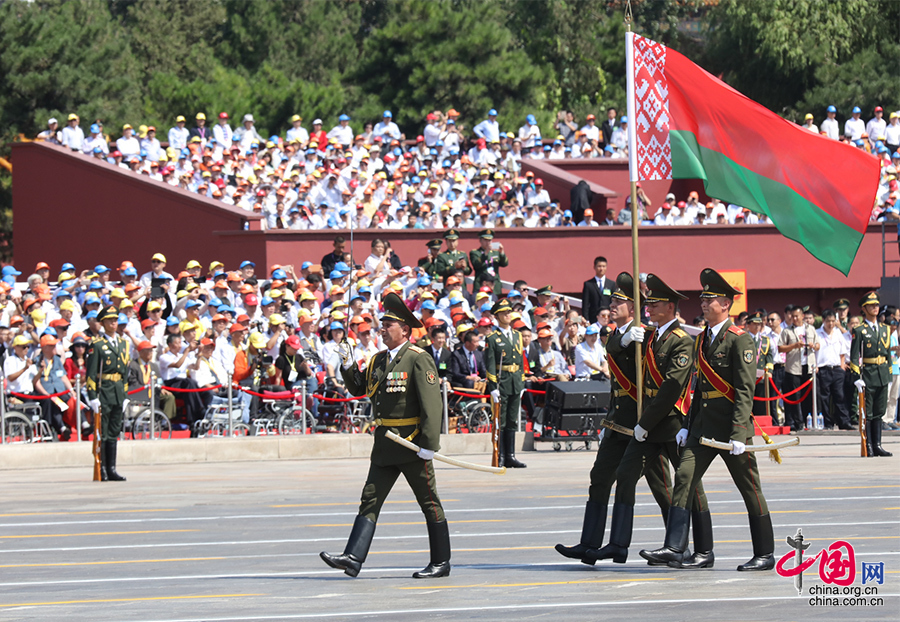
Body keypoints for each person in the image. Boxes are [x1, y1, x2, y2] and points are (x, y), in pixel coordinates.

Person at [641, 269, 775, 572]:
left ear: (725, 304)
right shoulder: (701, 339)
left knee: (750, 489)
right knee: (684, 478)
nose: (703, 303)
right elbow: (699, 389)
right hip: (702, 428)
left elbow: (745, 390)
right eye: (702, 298)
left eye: (709, 299)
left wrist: (739, 434)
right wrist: (687, 425)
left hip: (730, 429)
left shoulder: (740, 340)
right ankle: (681, 548)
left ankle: (765, 553)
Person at [320, 292, 449, 579]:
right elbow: (359, 388)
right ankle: (353, 557)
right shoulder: (379, 359)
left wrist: (429, 443)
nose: (383, 329)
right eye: (383, 324)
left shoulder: (418, 358)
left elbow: (432, 405)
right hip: (385, 444)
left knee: (429, 502)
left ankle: (441, 561)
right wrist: (347, 364)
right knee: (370, 499)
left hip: (411, 443)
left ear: (405, 330)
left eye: (389, 325)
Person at [589, 273, 713, 567]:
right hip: (648, 425)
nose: (649, 309)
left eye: (655, 305)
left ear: (670, 307)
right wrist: (623, 338)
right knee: (626, 475)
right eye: (648, 304)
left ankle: (702, 550)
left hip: (672, 424)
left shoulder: (682, 341)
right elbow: (616, 350)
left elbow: (671, 388)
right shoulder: (650, 335)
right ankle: (618, 544)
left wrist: (644, 424)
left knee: (691, 487)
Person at [555, 273, 675, 565]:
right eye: (612, 300)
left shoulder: (646, 335)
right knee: (600, 479)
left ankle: (676, 544)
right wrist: (624, 339)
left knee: (662, 488)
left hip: (643, 423)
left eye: (619, 301)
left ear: (633, 307)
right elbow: (612, 351)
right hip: (617, 421)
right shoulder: (616, 336)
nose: (612, 305)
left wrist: (638, 337)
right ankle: (591, 543)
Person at [85, 306, 129, 481]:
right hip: (104, 391)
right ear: (103, 323)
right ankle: (102, 468)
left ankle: (112, 468)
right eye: (110, 320)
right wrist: (93, 397)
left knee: (114, 431)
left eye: (115, 320)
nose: (113, 323)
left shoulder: (124, 344)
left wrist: (125, 395)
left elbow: (125, 372)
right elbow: (91, 373)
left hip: (118, 391)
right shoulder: (97, 345)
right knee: (102, 432)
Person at [849, 292, 892, 457]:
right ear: (864, 308)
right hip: (868, 374)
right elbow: (854, 356)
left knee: (879, 411)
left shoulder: (885, 328)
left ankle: (877, 445)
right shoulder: (860, 330)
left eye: (876, 305)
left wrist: (888, 373)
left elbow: (887, 353)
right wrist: (857, 377)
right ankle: (868, 446)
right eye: (871, 305)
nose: (875, 307)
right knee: (869, 412)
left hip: (882, 373)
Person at [485, 298, 526, 468]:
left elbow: (521, 361)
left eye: (509, 312)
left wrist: (522, 382)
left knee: (512, 420)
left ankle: (510, 455)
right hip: (502, 382)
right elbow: (490, 364)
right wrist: (493, 387)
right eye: (504, 313)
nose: (508, 315)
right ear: (496, 317)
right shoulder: (492, 338)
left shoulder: (517, 335)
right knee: (500, 420)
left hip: (515, 381)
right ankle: (500, 456)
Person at [778, 305, 820, 431]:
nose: (795, 319)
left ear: (802, 316)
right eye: (793, 316)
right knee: (795, 397)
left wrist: (813, 346)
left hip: (808, 366)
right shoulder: (787, 331)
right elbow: (780, 348)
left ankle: (809, 421)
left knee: (809, 396)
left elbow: (818, 345)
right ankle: (798, 423)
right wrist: (794, 346)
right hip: (794, 368)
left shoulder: (811, 329)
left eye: (797, 316)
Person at [33, 334, 74, 441]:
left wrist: (71, 390)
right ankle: (59, 428)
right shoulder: (37, 361)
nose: (55, 347)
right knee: (51, 401)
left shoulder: (57, 360)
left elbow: (63, 377)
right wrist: (46, 394)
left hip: (59, 391)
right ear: (45, 348)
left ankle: (82, 425)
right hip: (46, 392)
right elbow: (36, 382)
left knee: (71, 400)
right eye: (52, 345)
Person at [816, 309, 852, 430]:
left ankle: (844, 421)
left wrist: (842, 367)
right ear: (823, 320)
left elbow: (843, 352)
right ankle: (827, 422)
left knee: (840, 396)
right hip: (823, 368)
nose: (830, 324)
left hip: (836, 369)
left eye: (832, 321)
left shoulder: (838, 333)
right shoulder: (817, 333)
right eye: (828, 321)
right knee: (824, 397)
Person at [126, 340, 176, 421]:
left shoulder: (153, 366)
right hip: (140, 391)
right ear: (141, 352)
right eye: (148, 350)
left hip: (154, 390)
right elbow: (133, 382)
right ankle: (153, 419)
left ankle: (164, 420)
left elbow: (159, 380)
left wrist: (162, 388)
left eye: (151, 350)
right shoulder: (134, 365)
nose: (151, 353)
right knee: (153, 395)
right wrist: (147, 389)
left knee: (169, 397)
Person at [746, 311, 775, 420]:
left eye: (759, 324)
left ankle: (760, 421)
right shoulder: (743, 339)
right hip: (747, 376)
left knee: (761, 402)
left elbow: (769, 356)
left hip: (761, 377)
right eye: (754, 324)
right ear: (748, 325)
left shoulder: (765, 340)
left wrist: (769, 371)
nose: (757, 326)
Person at [469, 229, 508, 296]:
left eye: (489, 240)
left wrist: (502, 253)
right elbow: (476, 265)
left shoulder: (495, 252)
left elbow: (505, 264)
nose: (488, 242)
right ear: (480, 240)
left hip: (495, 285)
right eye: (485, 240)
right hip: (481, 284)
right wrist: (485, 253)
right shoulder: (475, 252)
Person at [582, 256, 611, 326]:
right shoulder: (588, 284)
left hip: (608, 319)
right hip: (593, 319)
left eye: (604, 266)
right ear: (594, 267)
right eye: (599, 266)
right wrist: (586, 320)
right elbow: (585, 304)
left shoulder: (611, 284)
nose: (601, 269)